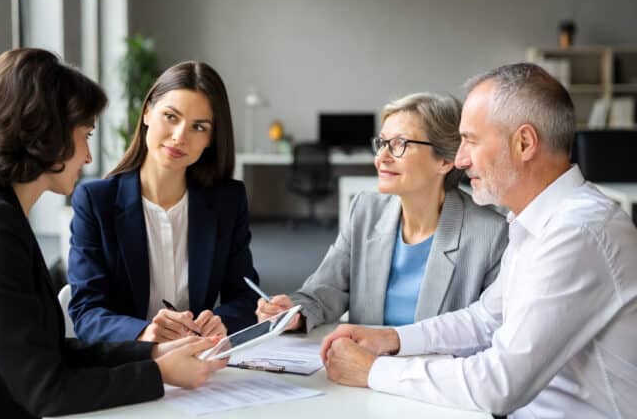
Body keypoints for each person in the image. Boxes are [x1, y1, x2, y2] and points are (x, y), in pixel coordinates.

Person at [0, 48, 226, 419]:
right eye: (85, 134)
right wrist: (158, 373)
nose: (87, 156)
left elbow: (46, 354)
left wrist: (151, 353)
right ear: (47, 135)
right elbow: (47, 392)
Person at [320, 63, 637, 418]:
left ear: (524, 143)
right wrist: (392, 338)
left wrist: (372, 370)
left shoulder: (578, 232)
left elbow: (497, 385)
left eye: (470, 140)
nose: (459, 159)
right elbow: (485, 319)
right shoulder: (534, 221)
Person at [256, 93, 508, 332]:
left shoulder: (490, 233)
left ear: (444, 161)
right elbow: (324, 291)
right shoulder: (366, 211)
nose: (381, 157)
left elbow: (489, 333)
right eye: (381, 143)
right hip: (358, 370)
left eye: (399, 144)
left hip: (434, 374)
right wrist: (293, 312)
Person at [67, 61, 259, 343]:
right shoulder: (96, 201)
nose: (180, 136)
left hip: (198, 360)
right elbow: (87, 312)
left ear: (211, 139)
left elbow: (246, 296)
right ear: (147, 112)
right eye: (171, 116)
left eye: (199, 127)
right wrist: (144, 333)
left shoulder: (227, 201)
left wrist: (221, 322)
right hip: (129, 366)